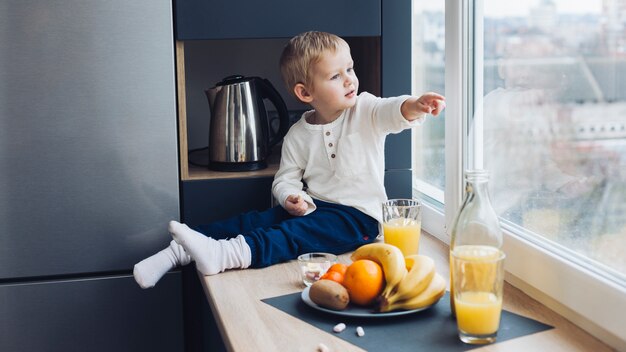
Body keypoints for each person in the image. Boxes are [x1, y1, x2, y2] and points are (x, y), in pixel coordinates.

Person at [133, 31, 445, 289]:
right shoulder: (298, 133)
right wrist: (290, 196)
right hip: (314, 207)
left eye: (350, 69)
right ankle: (177, 252)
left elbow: (392, 111)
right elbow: (285, 179)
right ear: (306, 92)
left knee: (288, 236)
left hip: (357, 219)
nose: (350, 80)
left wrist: (414, 105)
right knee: (254, 220)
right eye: (336, 75)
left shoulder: (365, 110)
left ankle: (224, 255)